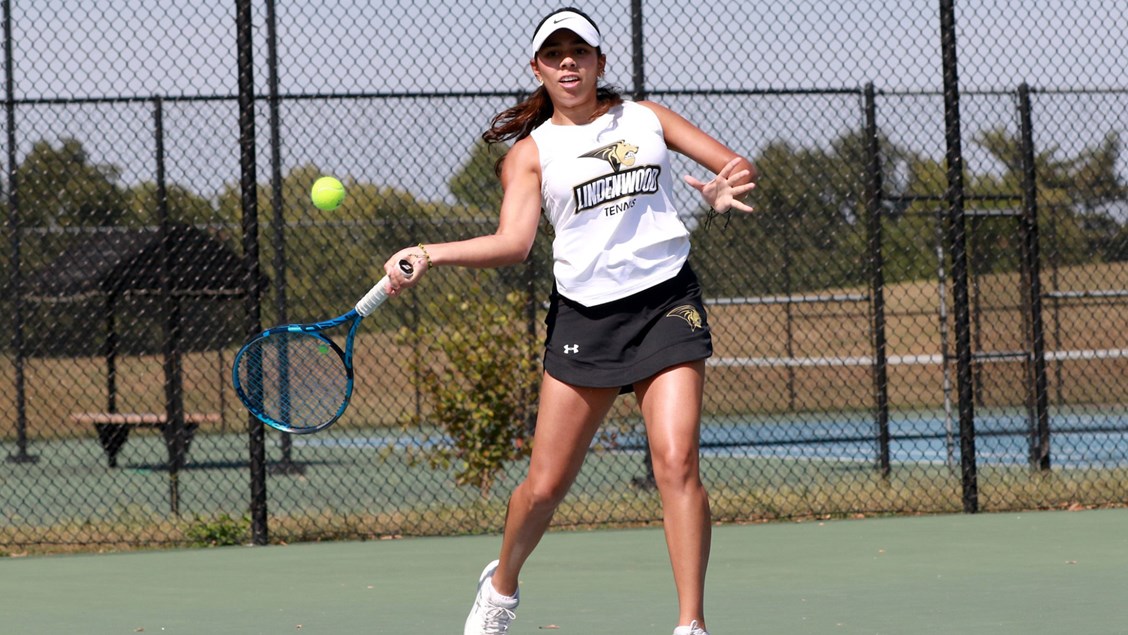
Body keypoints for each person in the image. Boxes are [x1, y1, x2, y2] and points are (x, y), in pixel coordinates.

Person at [382, 7, 756, 635]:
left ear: (599, 62)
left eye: (579, 52)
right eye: (554, 55)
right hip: (586, 318)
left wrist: (724, 187)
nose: (568, 64)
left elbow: (736, 165)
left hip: (666, 302)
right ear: (538, 69)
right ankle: (500, 588)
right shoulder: (530, 155)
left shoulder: (647, 118)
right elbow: (513, 243)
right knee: (545, 486)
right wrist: (431, 252)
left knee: (677, 461)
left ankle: (691, 624)